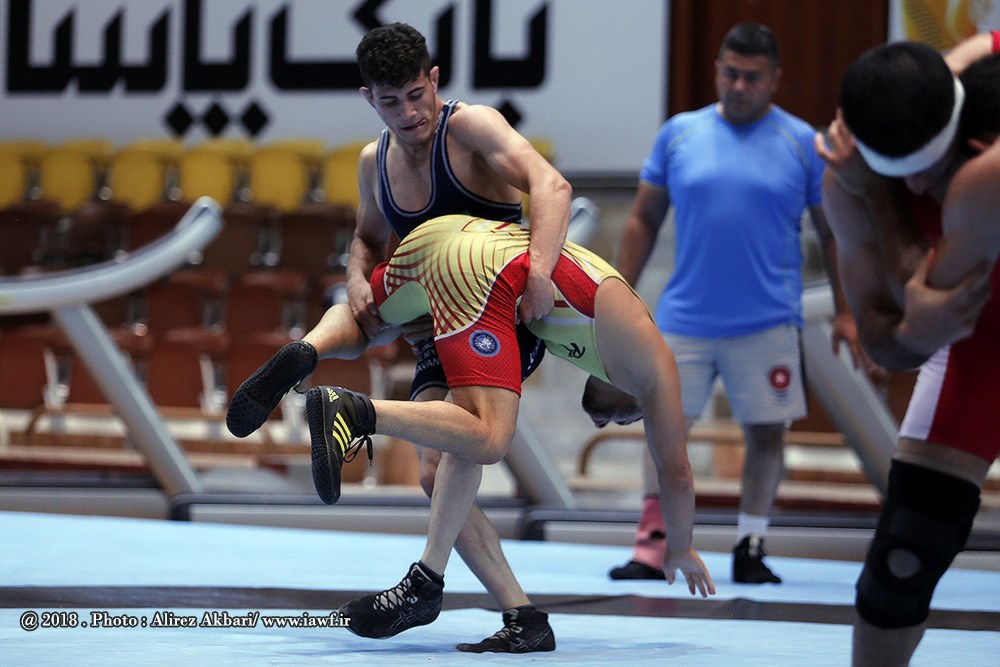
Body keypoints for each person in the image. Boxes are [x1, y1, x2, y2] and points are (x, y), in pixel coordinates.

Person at [225, 22, 570, 652]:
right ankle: (522, 618)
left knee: (471, 441)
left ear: (434, 79)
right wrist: (356, 274)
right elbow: (365, 236)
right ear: (369, 98)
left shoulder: (471, 127)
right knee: (435, 473)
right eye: (392, 102)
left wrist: (541, 273)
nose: (410, 113)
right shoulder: (373, 161)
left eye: (417, 95)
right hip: (434, 326)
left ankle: (425, 576)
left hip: (496, 314)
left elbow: (552, 185)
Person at [302, 213, 716, 643]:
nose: (600, 421)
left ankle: (305, 353)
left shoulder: (601, 334)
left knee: (380, 335)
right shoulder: (654, 368)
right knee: (487, 436)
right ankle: (357, 412)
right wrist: (680, 546)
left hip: (462, 258)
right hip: (480, 269)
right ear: (642, 402)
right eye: (621, 418)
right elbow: (676, 472)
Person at [604, 23, 862, 585]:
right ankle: (653, 543)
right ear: (717, 69)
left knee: (767, 433)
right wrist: (617, 295)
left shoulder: (802, 142)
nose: (739, 86)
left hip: (767, 320)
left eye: (752, 77)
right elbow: (643, 218)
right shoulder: (680, 133)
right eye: (730, 73)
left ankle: (751, 544)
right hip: (684, 319)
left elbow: (835, 233)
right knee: (663, 427)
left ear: (775, 80)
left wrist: (847, 311)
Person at [817, 39, 999, 667]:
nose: (919, 185)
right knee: (904, 555)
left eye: (931, 166)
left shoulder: (981, 166)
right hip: (982, 343)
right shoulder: (847, 181)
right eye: (898, 176)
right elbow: (885, 340)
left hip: (967, 320)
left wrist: (882, 196)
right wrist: (918, 336)